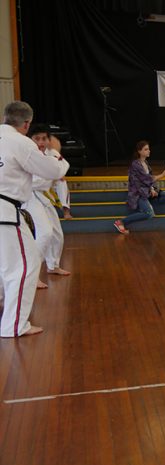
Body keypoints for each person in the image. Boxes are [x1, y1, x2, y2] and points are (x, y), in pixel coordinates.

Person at [0, 101, 67, 338]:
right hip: (5, 211)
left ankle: (4, 304)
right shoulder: (20, 142)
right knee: (25, 266)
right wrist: (56, 152)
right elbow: (54, 171)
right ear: (26, 124)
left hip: (7, 209)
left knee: (7, 264)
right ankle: (14, 325)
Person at [23, 124, 71, 280]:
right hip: (29, 196)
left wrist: (65, 207)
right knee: (45, 233)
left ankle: (53, 265)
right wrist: (52, 172)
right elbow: (39, 180)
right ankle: (31, 275)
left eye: (44, 138)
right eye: (37, 138)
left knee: (57, 234)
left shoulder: (50, 153)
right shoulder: (27, 154)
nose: (41, 142)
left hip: (43, 196)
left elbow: (62, 171)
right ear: (29, 139)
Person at [114, 141, 165, 234]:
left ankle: (148, 205)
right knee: (148, 214)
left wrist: (152, 189)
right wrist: (163, 175)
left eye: (148, 149)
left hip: (147, 191)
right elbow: (147, 179)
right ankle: (121, 222)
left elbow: (148, 182)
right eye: (146, 149)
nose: (149, 151)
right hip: (139, 194)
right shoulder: (135, 164)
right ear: (139, 151)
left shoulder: (146, 163)